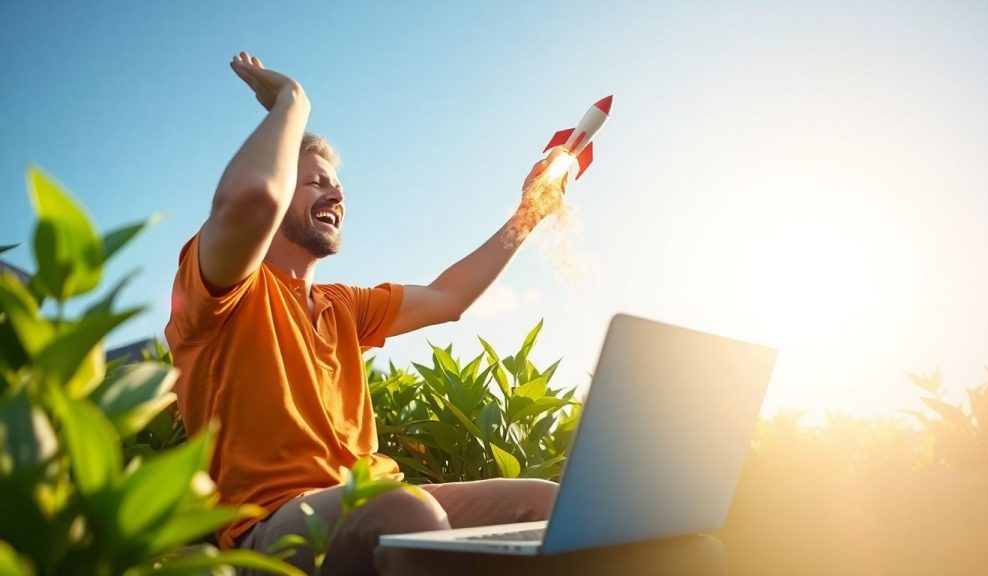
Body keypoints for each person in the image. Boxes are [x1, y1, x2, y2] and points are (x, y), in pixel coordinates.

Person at [166, 51, 726, 576]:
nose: (334, 196)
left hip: (374, 497)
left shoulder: (344, 306)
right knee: (405, 513)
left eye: (337, 187)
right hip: (267, 528)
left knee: (544, 504)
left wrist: (530, 210)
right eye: (313, 182)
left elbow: (449, 297)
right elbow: (250, 201)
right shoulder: (222, 287)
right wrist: (293, 101)